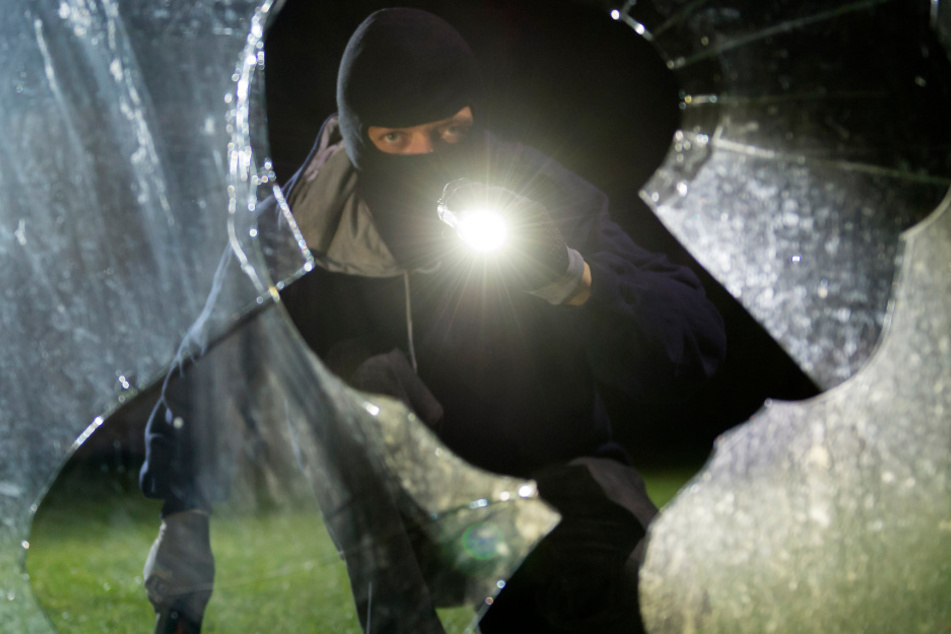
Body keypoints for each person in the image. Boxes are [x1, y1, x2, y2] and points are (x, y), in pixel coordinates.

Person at [140, 7, 726, 633]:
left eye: (448, 131)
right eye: (395, 138)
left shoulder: (534, 190)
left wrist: (574, 279)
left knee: (647, 602)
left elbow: (691, 332)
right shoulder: (300, 234)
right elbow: (215, 355)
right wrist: (183, 516)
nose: (423, 155)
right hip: (402, 515)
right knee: (354, 378)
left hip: (553, 482)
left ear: (474, 117)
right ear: (361, 134)